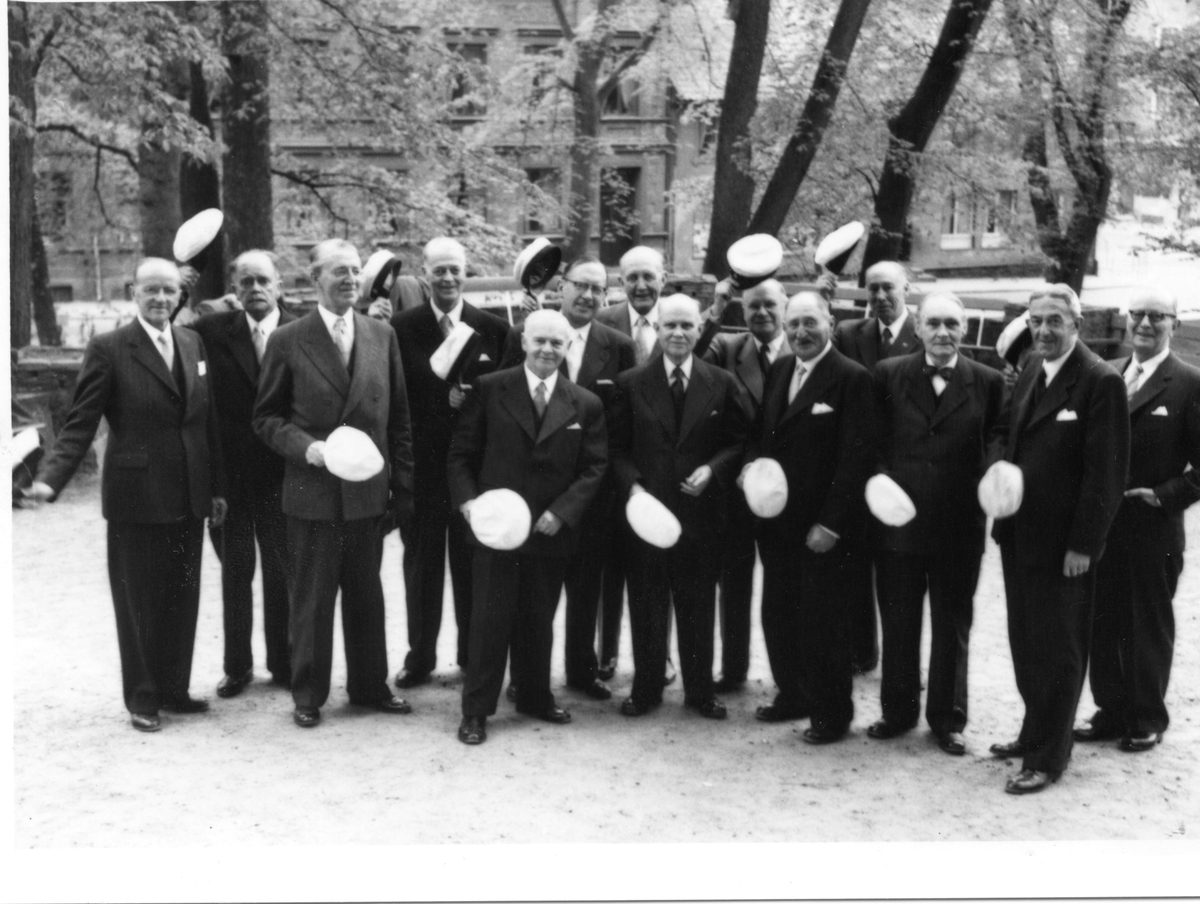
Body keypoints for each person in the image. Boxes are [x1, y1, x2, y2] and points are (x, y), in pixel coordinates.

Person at [26, 258, 227, 732]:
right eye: (151, 290)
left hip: (189, 494)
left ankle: (174, 689)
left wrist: (217, 488)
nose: (161, 298)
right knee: (138, 600)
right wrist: (50, 479)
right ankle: (142, 698)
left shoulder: (192, 341)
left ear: (181, 296)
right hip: (136, 496)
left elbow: (206, 421)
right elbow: (80, 421)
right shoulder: (110, 348)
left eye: (169, 291)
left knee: (183, 593)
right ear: (133, 293)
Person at [253, 239, 415, 728]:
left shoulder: (381, 335)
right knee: (312, 600)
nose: (350, 280)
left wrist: (400, 487)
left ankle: (369, 687)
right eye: (338, 272)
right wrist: (309, 448)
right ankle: (308, 694)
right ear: (313, 278)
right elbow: (265, 418)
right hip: (313, 495)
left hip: (368, 495)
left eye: (355, 272)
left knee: (367, 596)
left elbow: (399, 420)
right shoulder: (288, 339)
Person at [990, 284, 1129, 793]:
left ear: (1077, 324)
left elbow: (1106, 475)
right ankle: (1034, 731)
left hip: (1064, 548)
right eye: (1036, 321)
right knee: (1025, 642)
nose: (1043, 330)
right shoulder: (1030, 368)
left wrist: (1083, 546)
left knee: (1060, 650)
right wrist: (997, 474)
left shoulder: (1100, 380)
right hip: (1018, 535)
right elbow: (1006, 431)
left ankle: (1049, 756)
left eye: (1054, 321)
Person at [448, 309, 608, 745]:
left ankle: (535, 696)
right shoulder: (490, 388)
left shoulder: (585, 404)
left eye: (557, 343)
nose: (547, 349)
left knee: (539, 619)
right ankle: (476, 711)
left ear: (568, 347)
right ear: (522, 342)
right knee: (488, 622)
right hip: (495, 530)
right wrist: (468, 504)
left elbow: (594, 467)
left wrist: (562, 512)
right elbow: (461, 454)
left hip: (549, 530)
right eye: (539, 341)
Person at [866, 292, 1005, 755]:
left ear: (965, 330)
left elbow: (997, 440)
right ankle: (898, 711)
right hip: (898, 526)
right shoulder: (888, 374)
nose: (943, 332)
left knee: (952, 627)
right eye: (933, 324)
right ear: (918, 328)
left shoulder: (988, 382)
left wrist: (991, 474)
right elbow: (874, 440)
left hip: (958, 529)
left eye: (952, 324)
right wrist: (883, 483)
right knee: (899, 623)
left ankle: (948, 720)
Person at [503, 255, 639, 699]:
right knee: (531, 595)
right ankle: (527, 678)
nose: (588, 295)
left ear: (607, 295)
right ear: (562, 286)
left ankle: (582, 672)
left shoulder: (617, 345)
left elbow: (619, 425)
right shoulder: (525, 335)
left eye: (598, 289)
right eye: (580, 285)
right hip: (533, 494)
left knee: (585, 591)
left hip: (590, 495)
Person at [744, 292, 875, 743]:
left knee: (823, 623)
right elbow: (765, 433)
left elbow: (856, 459)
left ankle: (831, 714)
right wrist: (751, 467)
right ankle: (793, 695)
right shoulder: (781, 368)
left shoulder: (851, 378)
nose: (800, 332)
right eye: (793, 323)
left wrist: (831, 524)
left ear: (831, 323)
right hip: (777, 524)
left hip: (823, 529)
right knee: (778, 614)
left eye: (810, 323)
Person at [610, 294, 748, 720]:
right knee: (647, 603)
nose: (678, 333)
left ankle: (700, 692)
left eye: (688, 325)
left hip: (700, 516)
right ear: (658, 328)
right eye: (670, 325)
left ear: (699, 330)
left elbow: (739, 441)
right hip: (647, 515)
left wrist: (712, 470)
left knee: (698, 605)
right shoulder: (631, 382)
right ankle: (647, 688)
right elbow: (614, 449)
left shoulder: (720, 382)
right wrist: (633, 490)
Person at [1076, 288, 1200, 753]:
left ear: (1175, 326)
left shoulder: (1189, 382)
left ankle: (1147, 716)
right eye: (1138, 315)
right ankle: (1110, 711)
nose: (1145, 324)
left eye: (1157, 316)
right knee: (1101, 621)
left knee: (1148, 625)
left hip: (1153, 529)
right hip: (1103, 528)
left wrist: (1167, 495)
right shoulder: (1106, 376)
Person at [388, 238, 514, 689]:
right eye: (438, 270)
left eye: (454, 270)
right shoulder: (401, 328)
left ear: (466, 273)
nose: (447, 278)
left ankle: (468, 654)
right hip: (421, 470)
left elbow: (505, 395)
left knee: (470, 568)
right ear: (425, 276)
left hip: (473, 473)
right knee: (421, 569)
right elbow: (394, 397)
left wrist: (474, 399)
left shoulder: (494, 328)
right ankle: (420, 657)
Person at [189, 250, 295, 696]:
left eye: (263, 281)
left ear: (279, 285)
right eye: (245, 282)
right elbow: (168, 343)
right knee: (236, 573)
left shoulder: (302, 330)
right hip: (230, 480)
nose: (255, 289)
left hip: (284, 476)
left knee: (281, 572)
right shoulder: (211, 332)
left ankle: (285, 664)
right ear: (233, 289)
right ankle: (238, 667)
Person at [692, 278, 790, 693]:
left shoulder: (805, 344)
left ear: (784, 305)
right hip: (735, 489)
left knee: (785, 586)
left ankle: (790, 675)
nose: (762, 313)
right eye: (753, 307)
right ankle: (733, 670)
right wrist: (715, 311)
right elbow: (689, 358)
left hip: (789, 491)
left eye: (770, 304)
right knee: (733, 583)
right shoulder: (729, 348)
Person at [830, 261, 921, 674]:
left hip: (904, 470)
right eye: (872, 290)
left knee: (900, 572)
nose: (881, 297)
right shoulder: (850, 334)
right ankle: (861, 652)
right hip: (857, 465)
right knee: (853, 564)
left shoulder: (926, 334)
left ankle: (903, 663)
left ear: (907, 288)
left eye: (888, 288)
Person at [594, 245, 678, 685]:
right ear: (620, 282)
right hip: (615, 466)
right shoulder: (602, 323)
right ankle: (605, 653)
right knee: (612, 567)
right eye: (632, 278)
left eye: (649, 276)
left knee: (658, 567)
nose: (641, 285)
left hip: (667, 468)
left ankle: (658, 654)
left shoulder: (682, 320)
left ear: (664, 278)